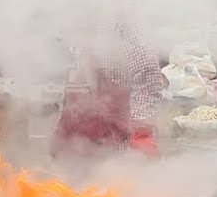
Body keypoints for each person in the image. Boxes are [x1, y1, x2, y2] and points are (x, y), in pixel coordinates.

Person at [51, 17, 166, 161]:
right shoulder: (72, 14)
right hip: (74, 136)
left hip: (112, 142)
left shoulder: (120, 18)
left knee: (110, 179)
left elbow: (147, 76)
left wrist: (141, 132)